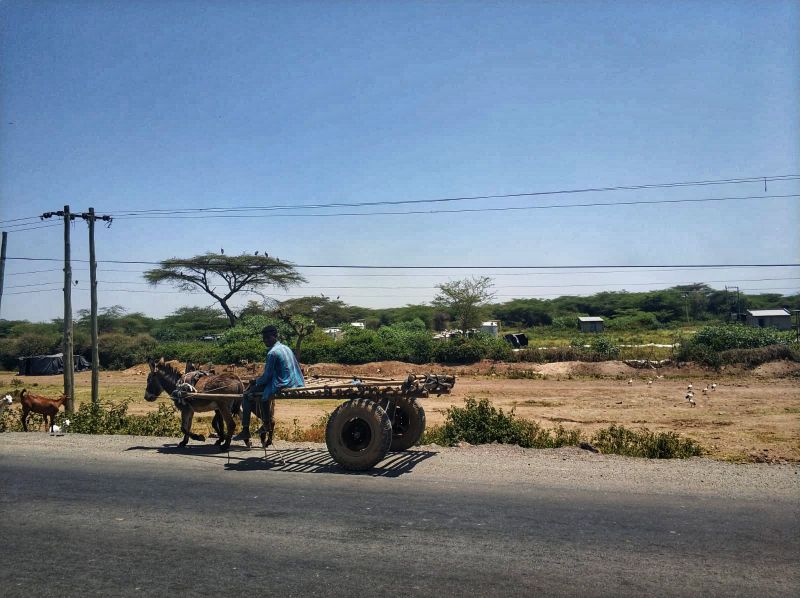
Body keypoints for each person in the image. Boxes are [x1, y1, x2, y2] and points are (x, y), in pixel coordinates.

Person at [233, 325, 304, 447]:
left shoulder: (272, 353)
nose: (265, 340)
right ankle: (265, 423)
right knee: (261, 391)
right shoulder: (285, 348)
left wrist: (256, 381)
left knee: (246, 395)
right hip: (295, 380)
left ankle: (246, 430)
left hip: (283, 382)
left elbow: (267, 377)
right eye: (264, 338)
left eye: (267, 338)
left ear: (274, 336)